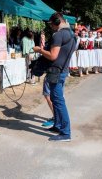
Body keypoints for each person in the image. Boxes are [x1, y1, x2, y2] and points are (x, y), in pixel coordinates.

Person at [33, 12, 76, 142]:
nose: (51, 27)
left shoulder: (58, 35)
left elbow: (52, 56)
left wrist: (40, 50)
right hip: (62, 71)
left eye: (51, 24)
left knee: (58, 101)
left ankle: (65, 132)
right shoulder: (72, 34)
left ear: (57, 22)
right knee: (56, 99)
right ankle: (58, 126)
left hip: (56, 72)